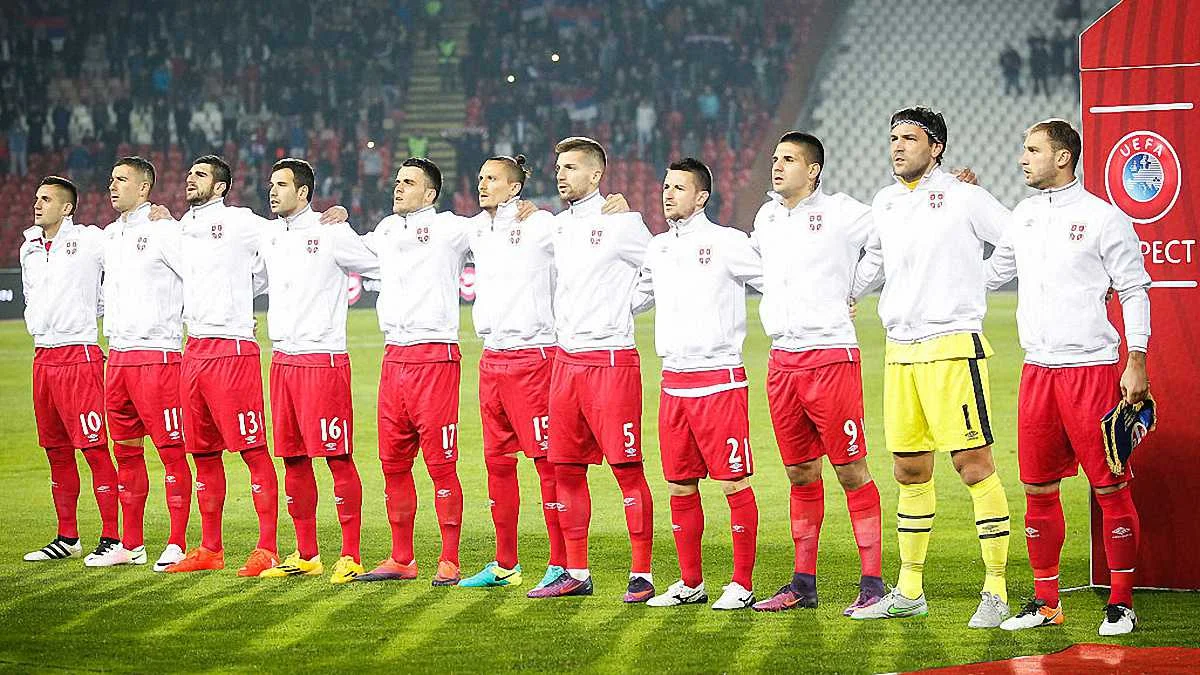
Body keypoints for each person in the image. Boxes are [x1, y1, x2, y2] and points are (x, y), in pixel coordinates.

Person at [849, 107, 1014, 628]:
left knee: (972, 465)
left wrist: (982, 277)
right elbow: (873, 258)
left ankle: (996, 591)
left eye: (909, 138)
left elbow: (1014, 236)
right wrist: (846, 294)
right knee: (910, 470)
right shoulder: (886, 201)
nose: (897, 147)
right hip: (900, 350)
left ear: (935, 147)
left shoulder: (964, 195)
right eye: (892, 137)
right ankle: (910, 589)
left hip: (952, 348)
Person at [988, 120, 1150, 636]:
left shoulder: (1104, 218)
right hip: (1038, 370)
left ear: (1063, 157)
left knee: (1110, 487)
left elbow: (1133, 290)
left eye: (1032, 150)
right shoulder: (1023, 216)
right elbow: (992, 275)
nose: (1022, 158)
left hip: (1092, 370)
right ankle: (1045, 601)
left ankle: (1121, 603)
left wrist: (1137, 359)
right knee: (1037, 489)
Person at [159, 155, 346, 576]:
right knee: (202, 453)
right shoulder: (178, 228)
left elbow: (289, 233)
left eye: (201, 175)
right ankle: (210, 549)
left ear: (221, 187)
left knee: (252, 449)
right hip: (194, 350)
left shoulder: (244, 222)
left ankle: (267, 547)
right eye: (189, 173)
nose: (191, 179)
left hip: (233, 349)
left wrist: (330, 216)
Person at [747, 133, 885, 614]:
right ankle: (803, 585)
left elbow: (889, 238)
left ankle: (873, 585)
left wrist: (856, 287)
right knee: (800, 473)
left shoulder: (844, 212)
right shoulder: (766, 217)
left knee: (850, 469)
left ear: (814, 170)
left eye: (788, 159)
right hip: (782, 361)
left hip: (830, 358)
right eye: (775, 158)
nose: (777, 166)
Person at [527, 137, 656, 601]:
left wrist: (626, 307)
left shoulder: (622, 222)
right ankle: (576, 572)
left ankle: (642, 573)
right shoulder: (557, 227)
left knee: (626, 468)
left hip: (611, 361)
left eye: (572, 167)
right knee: (565, 468)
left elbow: (662, 266)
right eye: (558, 167)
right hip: (566, 363)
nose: (560, 175)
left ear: (596, 175)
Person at [635, 158, 762, 611]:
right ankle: (691, 582)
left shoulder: (727, 242)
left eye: (679, 188)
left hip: (720, 382)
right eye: (666, 186)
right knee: (680, 485)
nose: (668, 194)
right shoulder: (657, 248)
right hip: (673, 382)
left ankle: (742, 584)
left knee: (733, 484)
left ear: (702, 196)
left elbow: (774, 280)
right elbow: (635, 298)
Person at [255, 158, 380, 584]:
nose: (272, 192)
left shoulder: (331, 232)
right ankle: (307, 553)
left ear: (304, 193)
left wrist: (347, 221)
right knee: (292, 458)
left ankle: (350, 554)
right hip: (282, 361)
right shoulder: (269, 235)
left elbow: (379, 264)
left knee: (337, 458)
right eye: (270, 185)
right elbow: (246, 280)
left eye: (281, 185)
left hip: (322, 361)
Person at [355, 158, 470, 587]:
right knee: (393, 463)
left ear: (431, 194)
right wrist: (328, 223)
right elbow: (350, 252)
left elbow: (499, 233)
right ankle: (402, 558)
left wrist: (522, 211)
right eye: (397, 180)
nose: (398, 187)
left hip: (435, 357)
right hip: (393, 359)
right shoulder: (385, 230)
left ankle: (449, 558)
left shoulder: (452, 229)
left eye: (409, 182)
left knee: (441, 463)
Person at [457, 155, 567, 590]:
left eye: (492, 178)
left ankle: (562, 564)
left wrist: (611, 207)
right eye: (480, 176)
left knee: (547, 464)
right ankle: (505, 563)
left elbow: (586, 234)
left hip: (534, 359)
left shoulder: (541, 225)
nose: (482, 184)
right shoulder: (474, 229)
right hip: (492, 359)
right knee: (497, 463)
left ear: (515, 186)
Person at [93, 157, 192, 571]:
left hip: (159, 357)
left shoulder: (164, 230)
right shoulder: (107, 237)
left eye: (121, 179)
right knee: (127, 453)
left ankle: (177, 541)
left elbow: (198, 274)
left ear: (145, 187)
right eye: (111, 178)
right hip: (117, 359)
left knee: (172, 452)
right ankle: (130, 545)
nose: (112, 186)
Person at [20, 176, 118, 564]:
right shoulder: (28, 247)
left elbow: (131, 247)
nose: (37, 204)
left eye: (46, 199)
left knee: (94, 449)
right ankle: (67, 537)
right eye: (36, 198)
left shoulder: (92, 240)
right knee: (57, 452)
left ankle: (112, 537)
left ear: (67, 208)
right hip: (43, 357)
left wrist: (158, 218)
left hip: (79, 355)